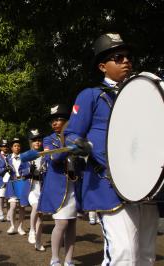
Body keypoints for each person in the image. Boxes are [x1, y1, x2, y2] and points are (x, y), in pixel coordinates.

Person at [64, 32, 159, 265]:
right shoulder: (91, 95)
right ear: (102, 66)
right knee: (123, 253)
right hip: (108, 182)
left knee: (146, 254)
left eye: (128, 57)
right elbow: (71, 133)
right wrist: (78, 144)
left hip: (146, 182)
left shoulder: (144, 93)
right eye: (118, 57)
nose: (126, 61)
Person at [39, 104, 78, 266]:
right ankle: (55, 258)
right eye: (52, 121)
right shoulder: (49, 139)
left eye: (59, 119)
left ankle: (69, 260)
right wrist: (70, 148)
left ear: (67, 121)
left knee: (72, 225)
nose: (55, 123)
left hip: (74, 186)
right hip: (57, 187)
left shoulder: (75, 136)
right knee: (61, 223)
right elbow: (53, 158)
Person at [5, 138, 30, 236]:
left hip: (22, 182)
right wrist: (5, 170)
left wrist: (23, 173)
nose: (17, 148)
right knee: (13, 206)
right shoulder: (7, 158)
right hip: (12, 183)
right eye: (15, 146)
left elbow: (28, 169)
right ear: (11, 148)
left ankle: (20, 227)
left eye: (18, 146)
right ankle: (12, 226)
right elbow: (2, 169)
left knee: (22, 206)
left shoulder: (24, 157)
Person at [27, 129, 45, 251]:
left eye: (39, 140)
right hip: (31, 189)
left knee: (40, 217)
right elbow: (22, 171)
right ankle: (32, 231)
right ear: (31, 143)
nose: (37, 142)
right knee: (36, 207)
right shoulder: (27, 156)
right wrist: (29, 171)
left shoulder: (45, 155)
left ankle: (38, 242)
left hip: (42, 188)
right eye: (34, 140)